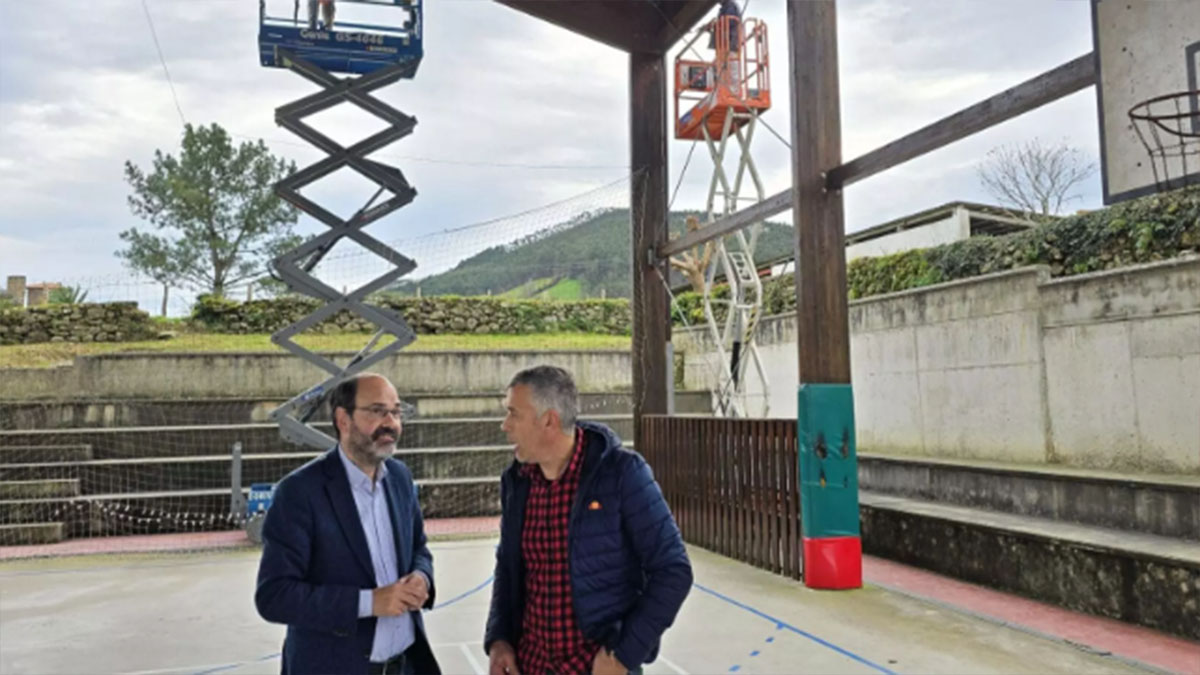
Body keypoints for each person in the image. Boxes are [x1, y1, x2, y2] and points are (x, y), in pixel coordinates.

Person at [485, 366, 693, 675]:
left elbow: (673, 570)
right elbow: (508, 566)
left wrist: (624, 655)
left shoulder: (623, 474)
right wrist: (500, 638)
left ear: (548, 420)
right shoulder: (517, 482)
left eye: (513, 414)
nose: (505, 426)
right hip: (531, 666)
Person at [256, 373, 441, 675]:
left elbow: (419, 547)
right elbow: (274, 596)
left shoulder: (400, 478)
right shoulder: (300, 492)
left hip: (405, 665)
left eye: (395, 412)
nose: (390, 423)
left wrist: (422, 576)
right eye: (377, 411)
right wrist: (369, 603)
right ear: (343, 419)